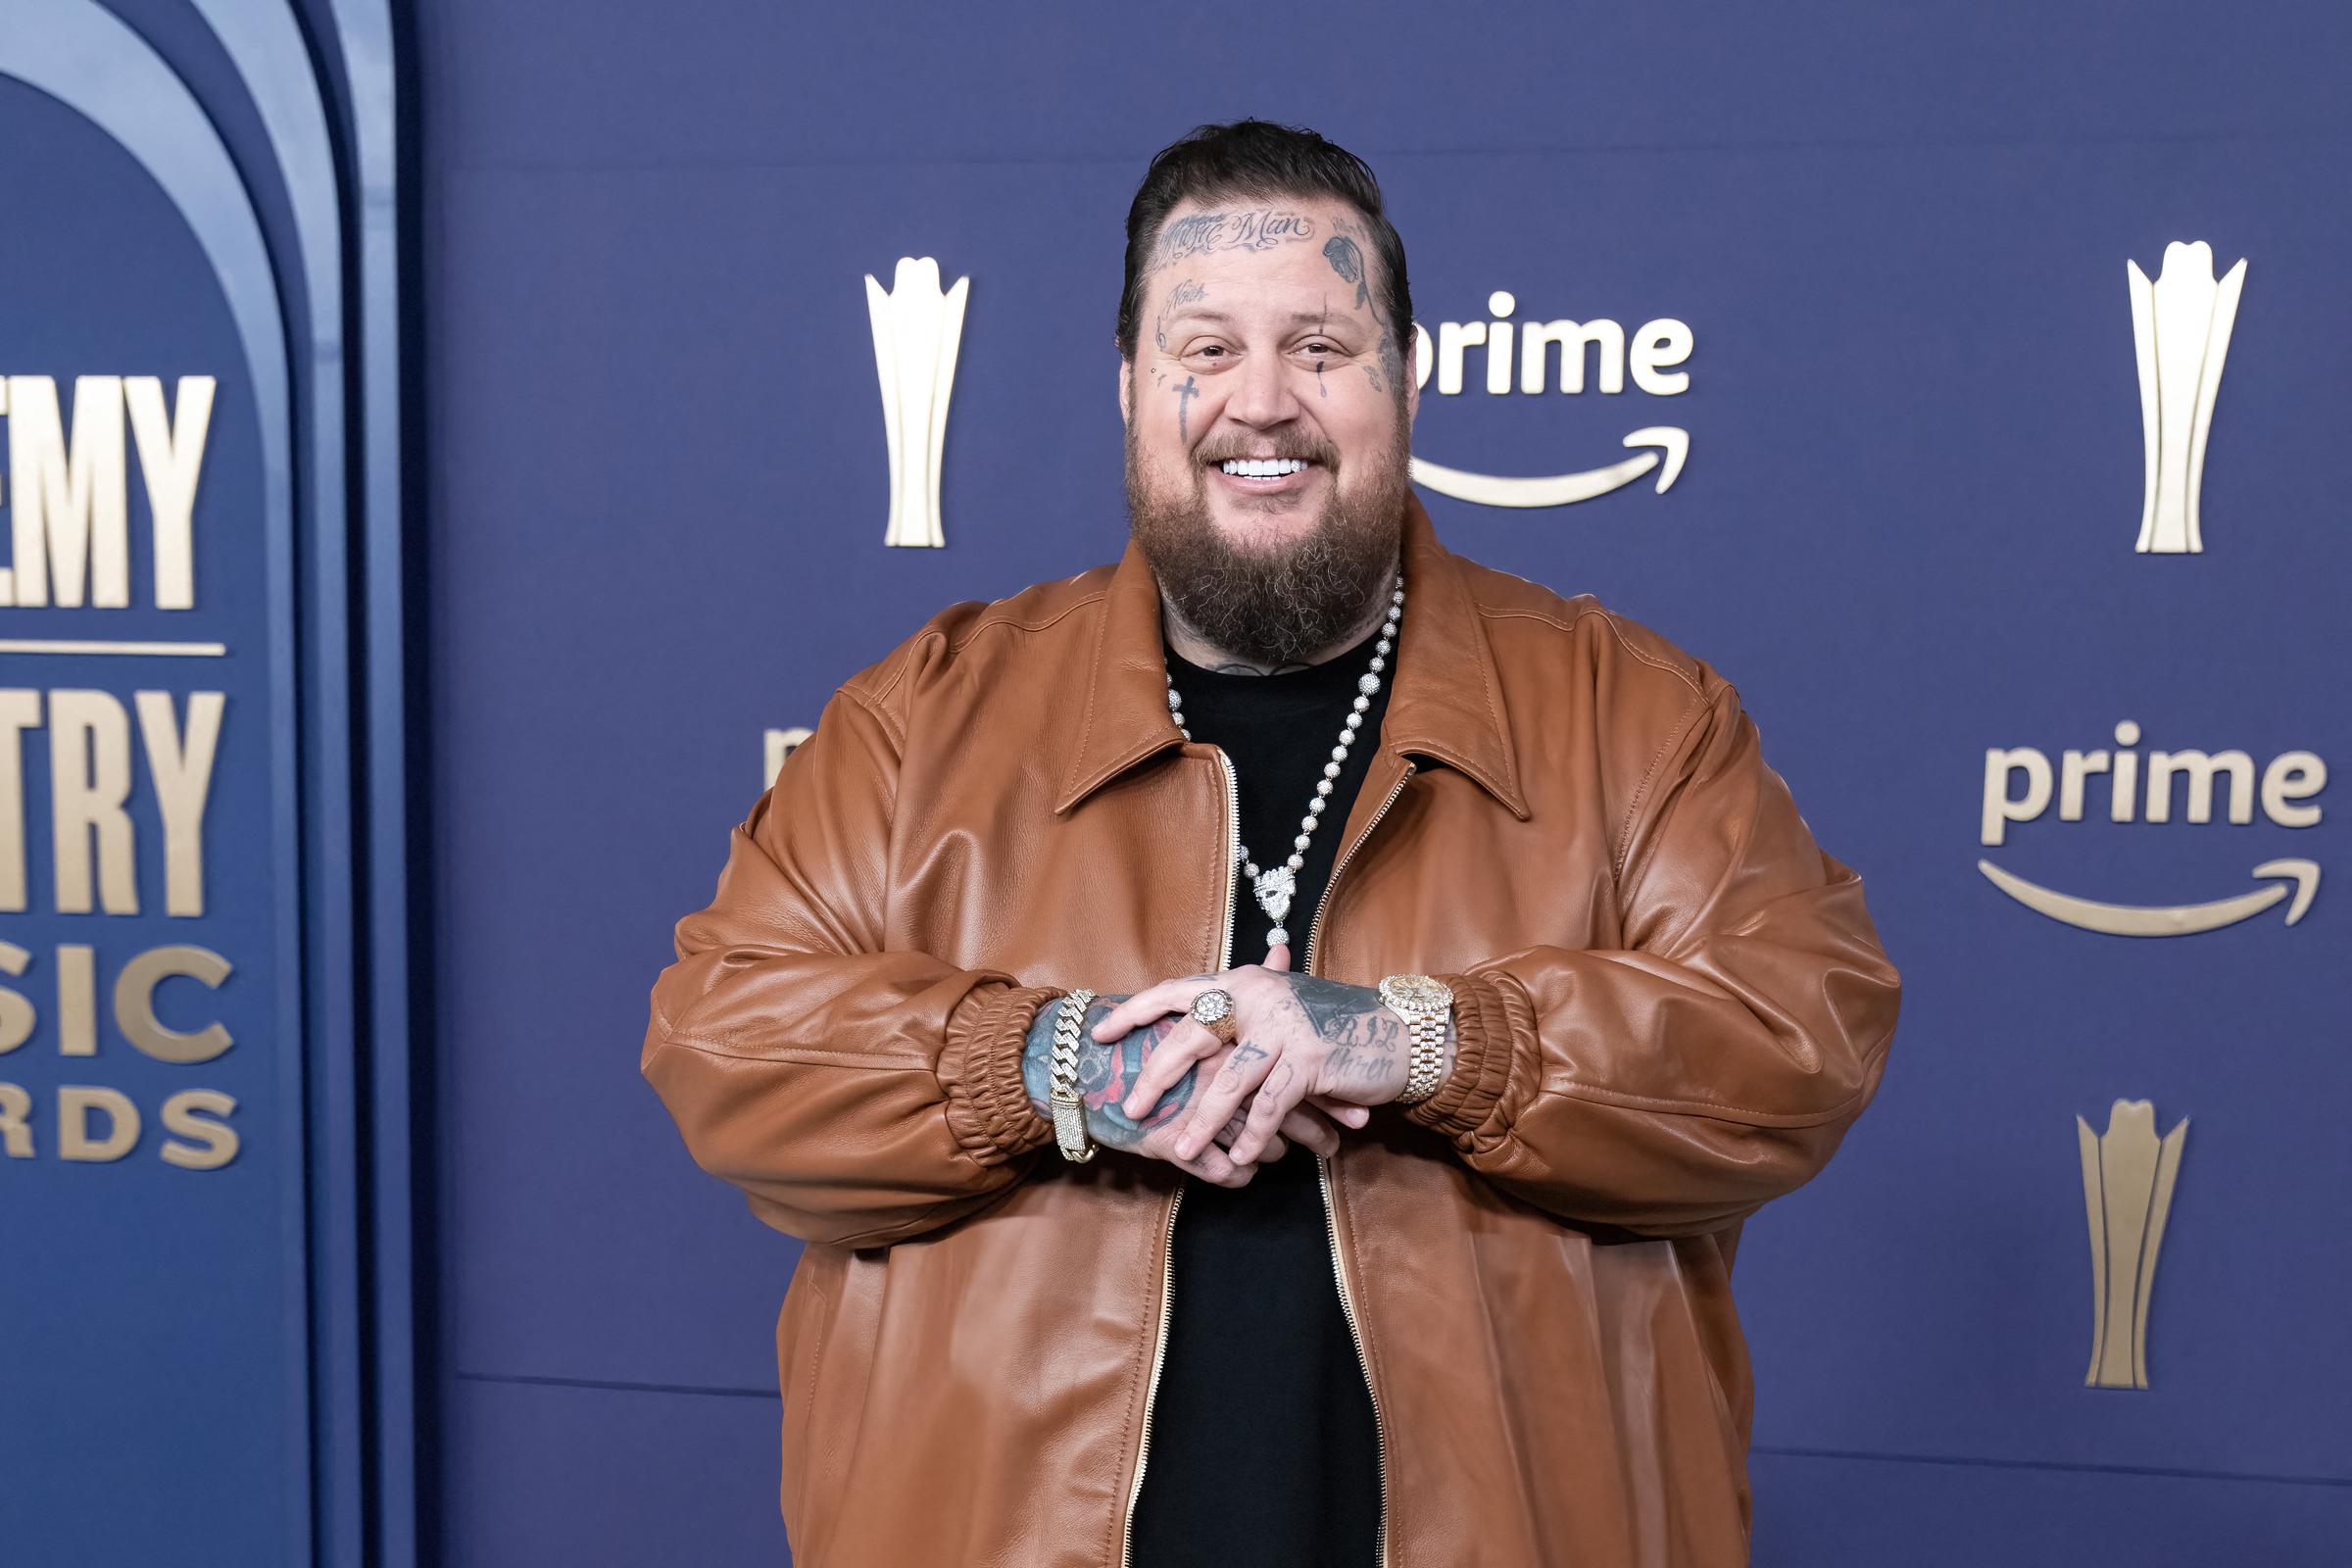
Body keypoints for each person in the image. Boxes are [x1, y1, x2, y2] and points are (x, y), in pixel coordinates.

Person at [641, 118, 1901, 1568]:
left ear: (1405, 381)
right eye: (1204, 348)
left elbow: (1798, 1034)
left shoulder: (1634, 715)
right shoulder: (921, 720)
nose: (1262, 402)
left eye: (1320, 347)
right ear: (1129, 386)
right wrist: (1051, 1066)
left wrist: (1431, 1041)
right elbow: (726, 1047)